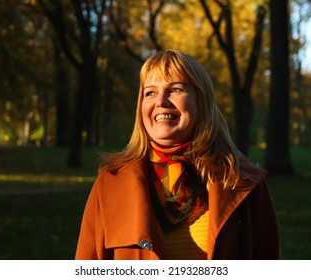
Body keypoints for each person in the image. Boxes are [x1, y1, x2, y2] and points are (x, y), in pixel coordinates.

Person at [75, 50, 281, 260]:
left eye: (175, 89)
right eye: (150, 92)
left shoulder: (243, 183)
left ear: (202, 101)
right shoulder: (111, 183)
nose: (161, 101)